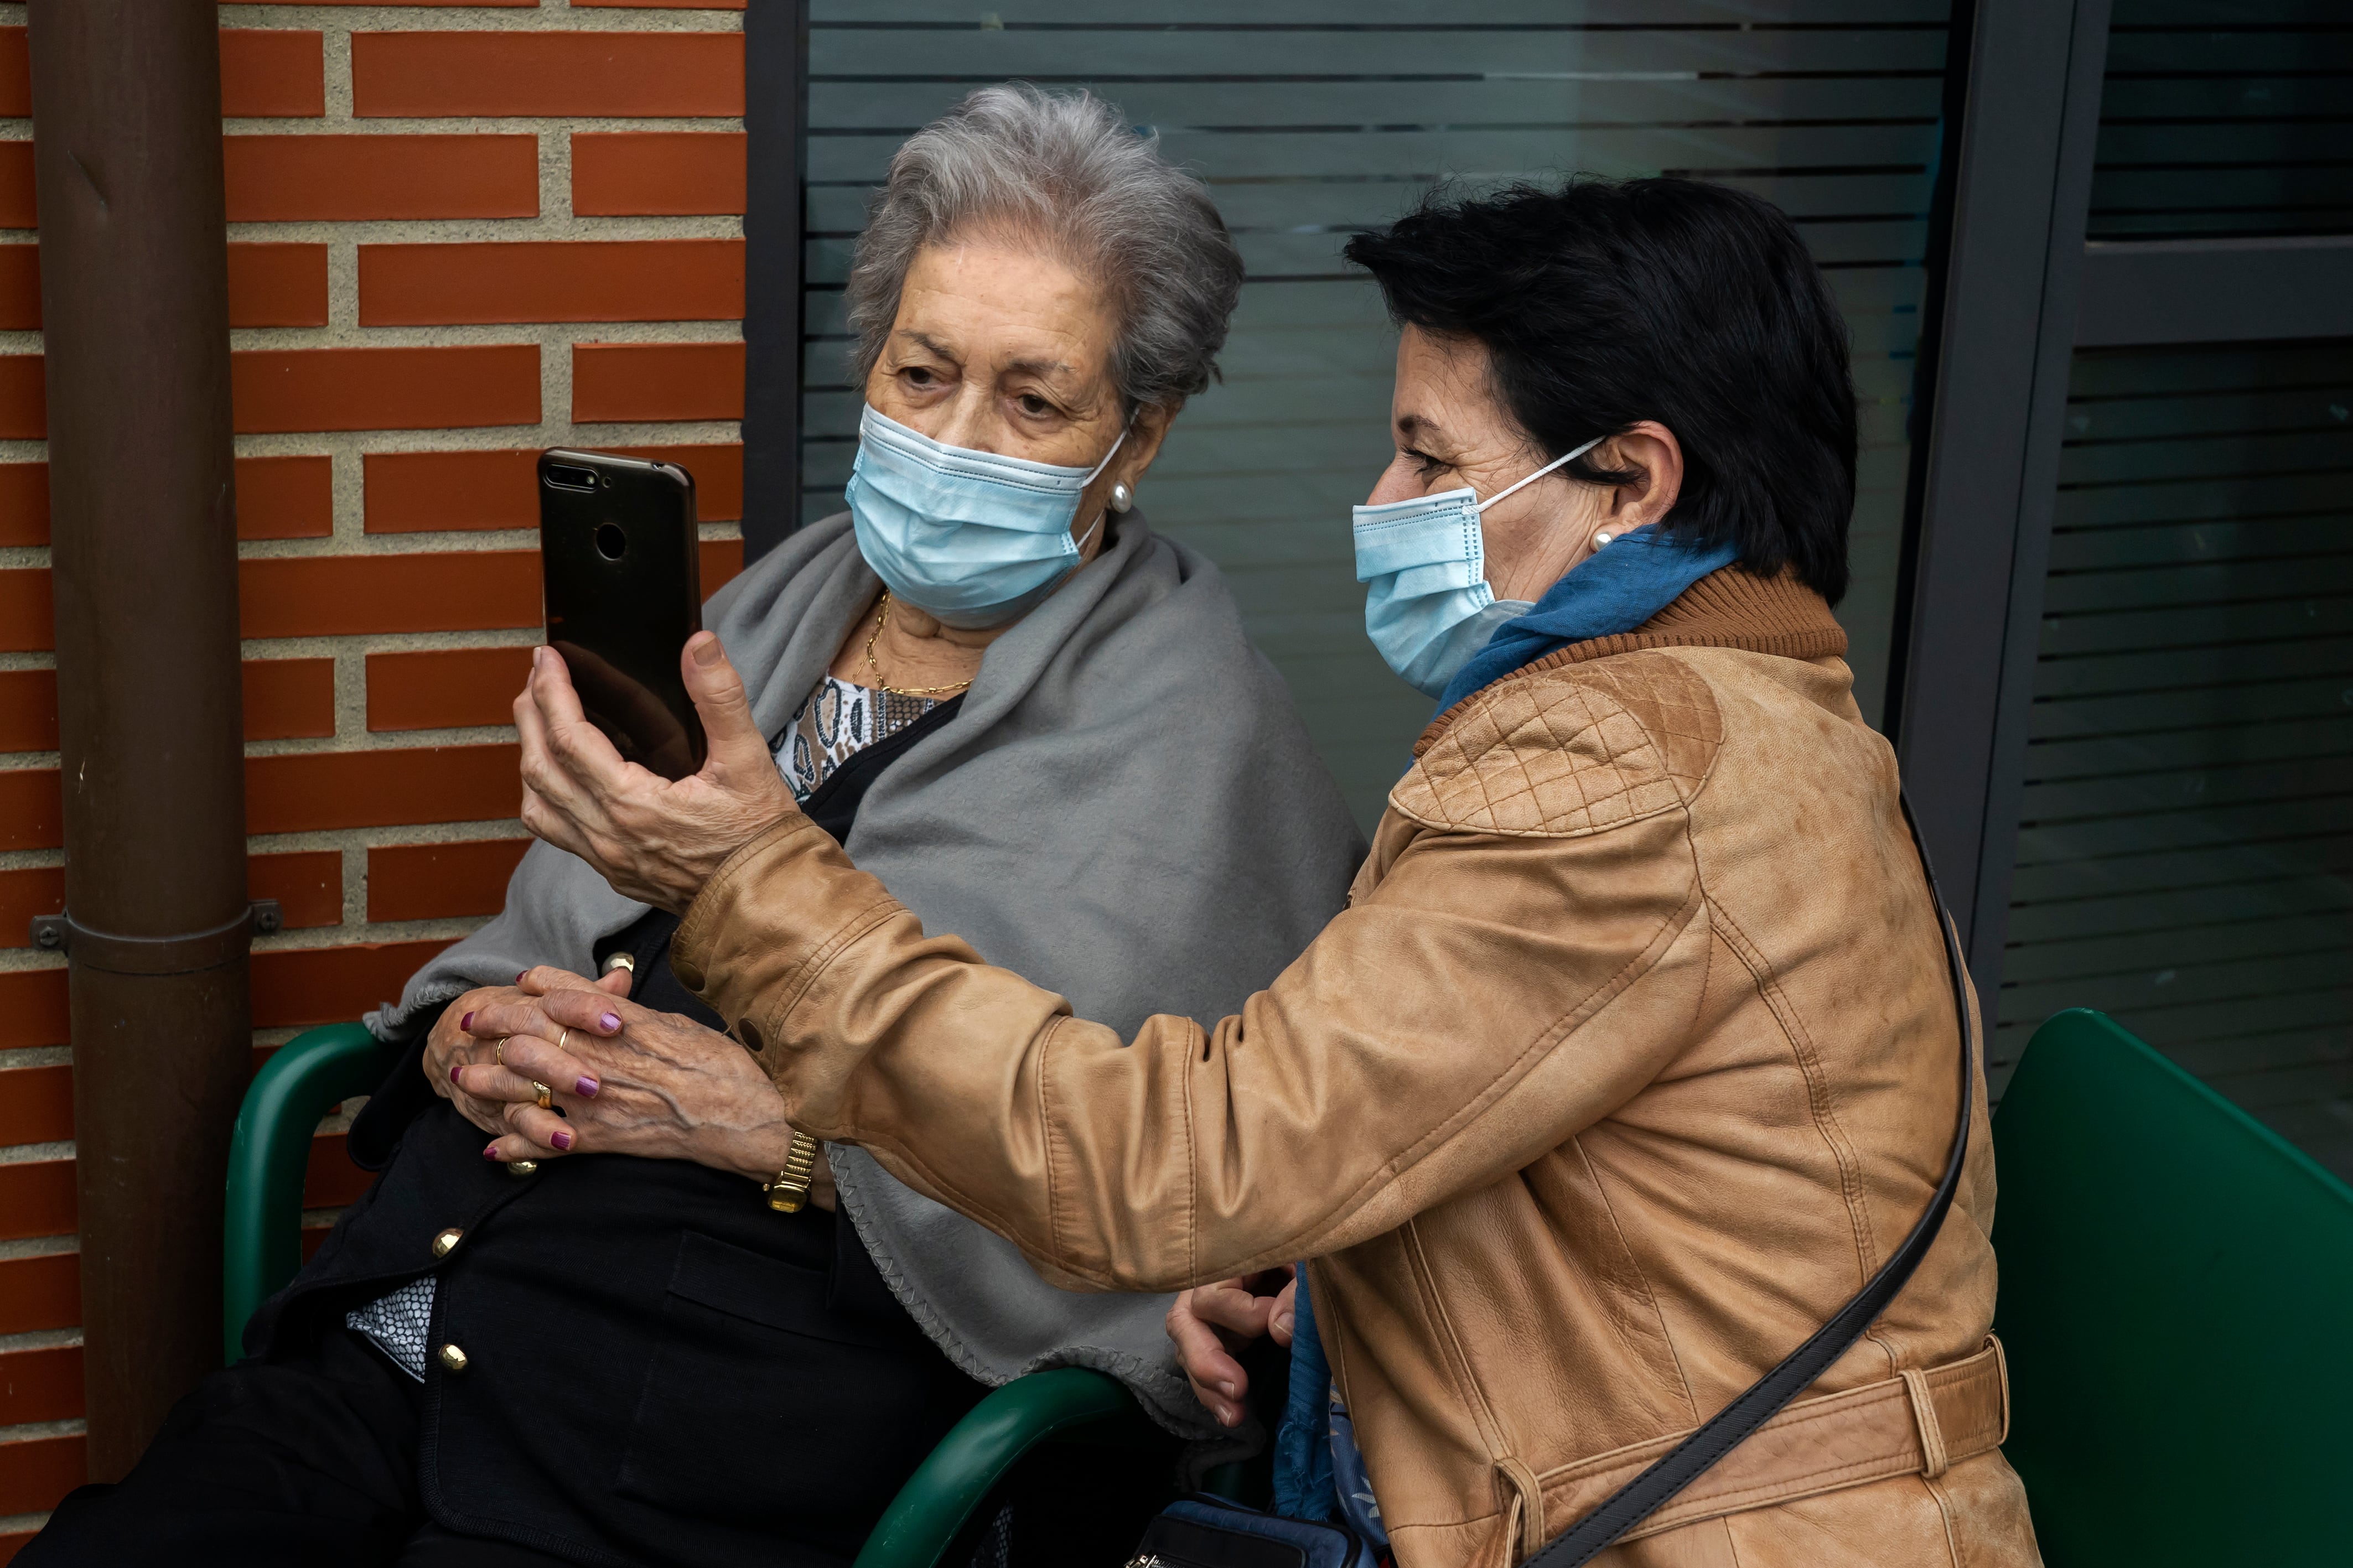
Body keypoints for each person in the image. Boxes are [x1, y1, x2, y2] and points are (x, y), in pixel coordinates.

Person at [486, 176, 2046, 1568]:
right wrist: (1335, 1267)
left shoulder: (1612, 772)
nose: (1377, 505)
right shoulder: (1762, 708)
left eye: (1429, 454)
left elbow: (1164, 1169)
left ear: (1632, 482)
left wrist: (755, 870)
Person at [22, 86, 1364, 1568]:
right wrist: (472, 1037)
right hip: (406, 1332)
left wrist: (788, 1139)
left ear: (1139, 434)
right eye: (921, 374)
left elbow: (1157, 1201)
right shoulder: (770, 614)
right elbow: (543, 931)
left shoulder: (1198, 742)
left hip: (702, 1451)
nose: (954, 436)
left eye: (1031, 399)